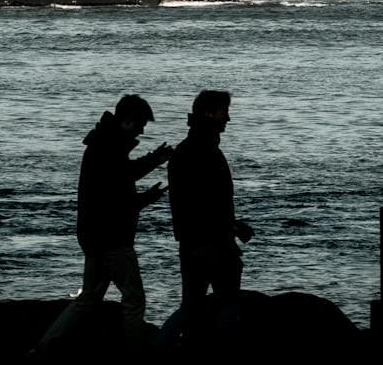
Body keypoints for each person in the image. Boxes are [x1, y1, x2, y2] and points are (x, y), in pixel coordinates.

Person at [34, 94, 173, 349]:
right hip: (112, 238)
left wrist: (154, 161)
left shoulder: (103, 144)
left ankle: (44, 348)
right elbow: (118, 197)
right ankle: (135, 351)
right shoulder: (109, 148)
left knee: (88, 298)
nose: (142, 129)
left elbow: (121, 178)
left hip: (93, 236)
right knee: (134, 298)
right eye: (141, 124)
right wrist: (148, 195)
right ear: (129, 120)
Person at [165, 89, 253, 342]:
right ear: (209, 113)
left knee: (192, 310)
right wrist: (228, 231)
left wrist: (232, 226)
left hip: (197, 243)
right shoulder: (203, 151)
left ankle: (158, 348)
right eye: (224, 112)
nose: (228, 119)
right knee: (225, 309)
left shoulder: (190, 150)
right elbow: (204, 203)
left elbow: (198, 203)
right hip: (211, 245)